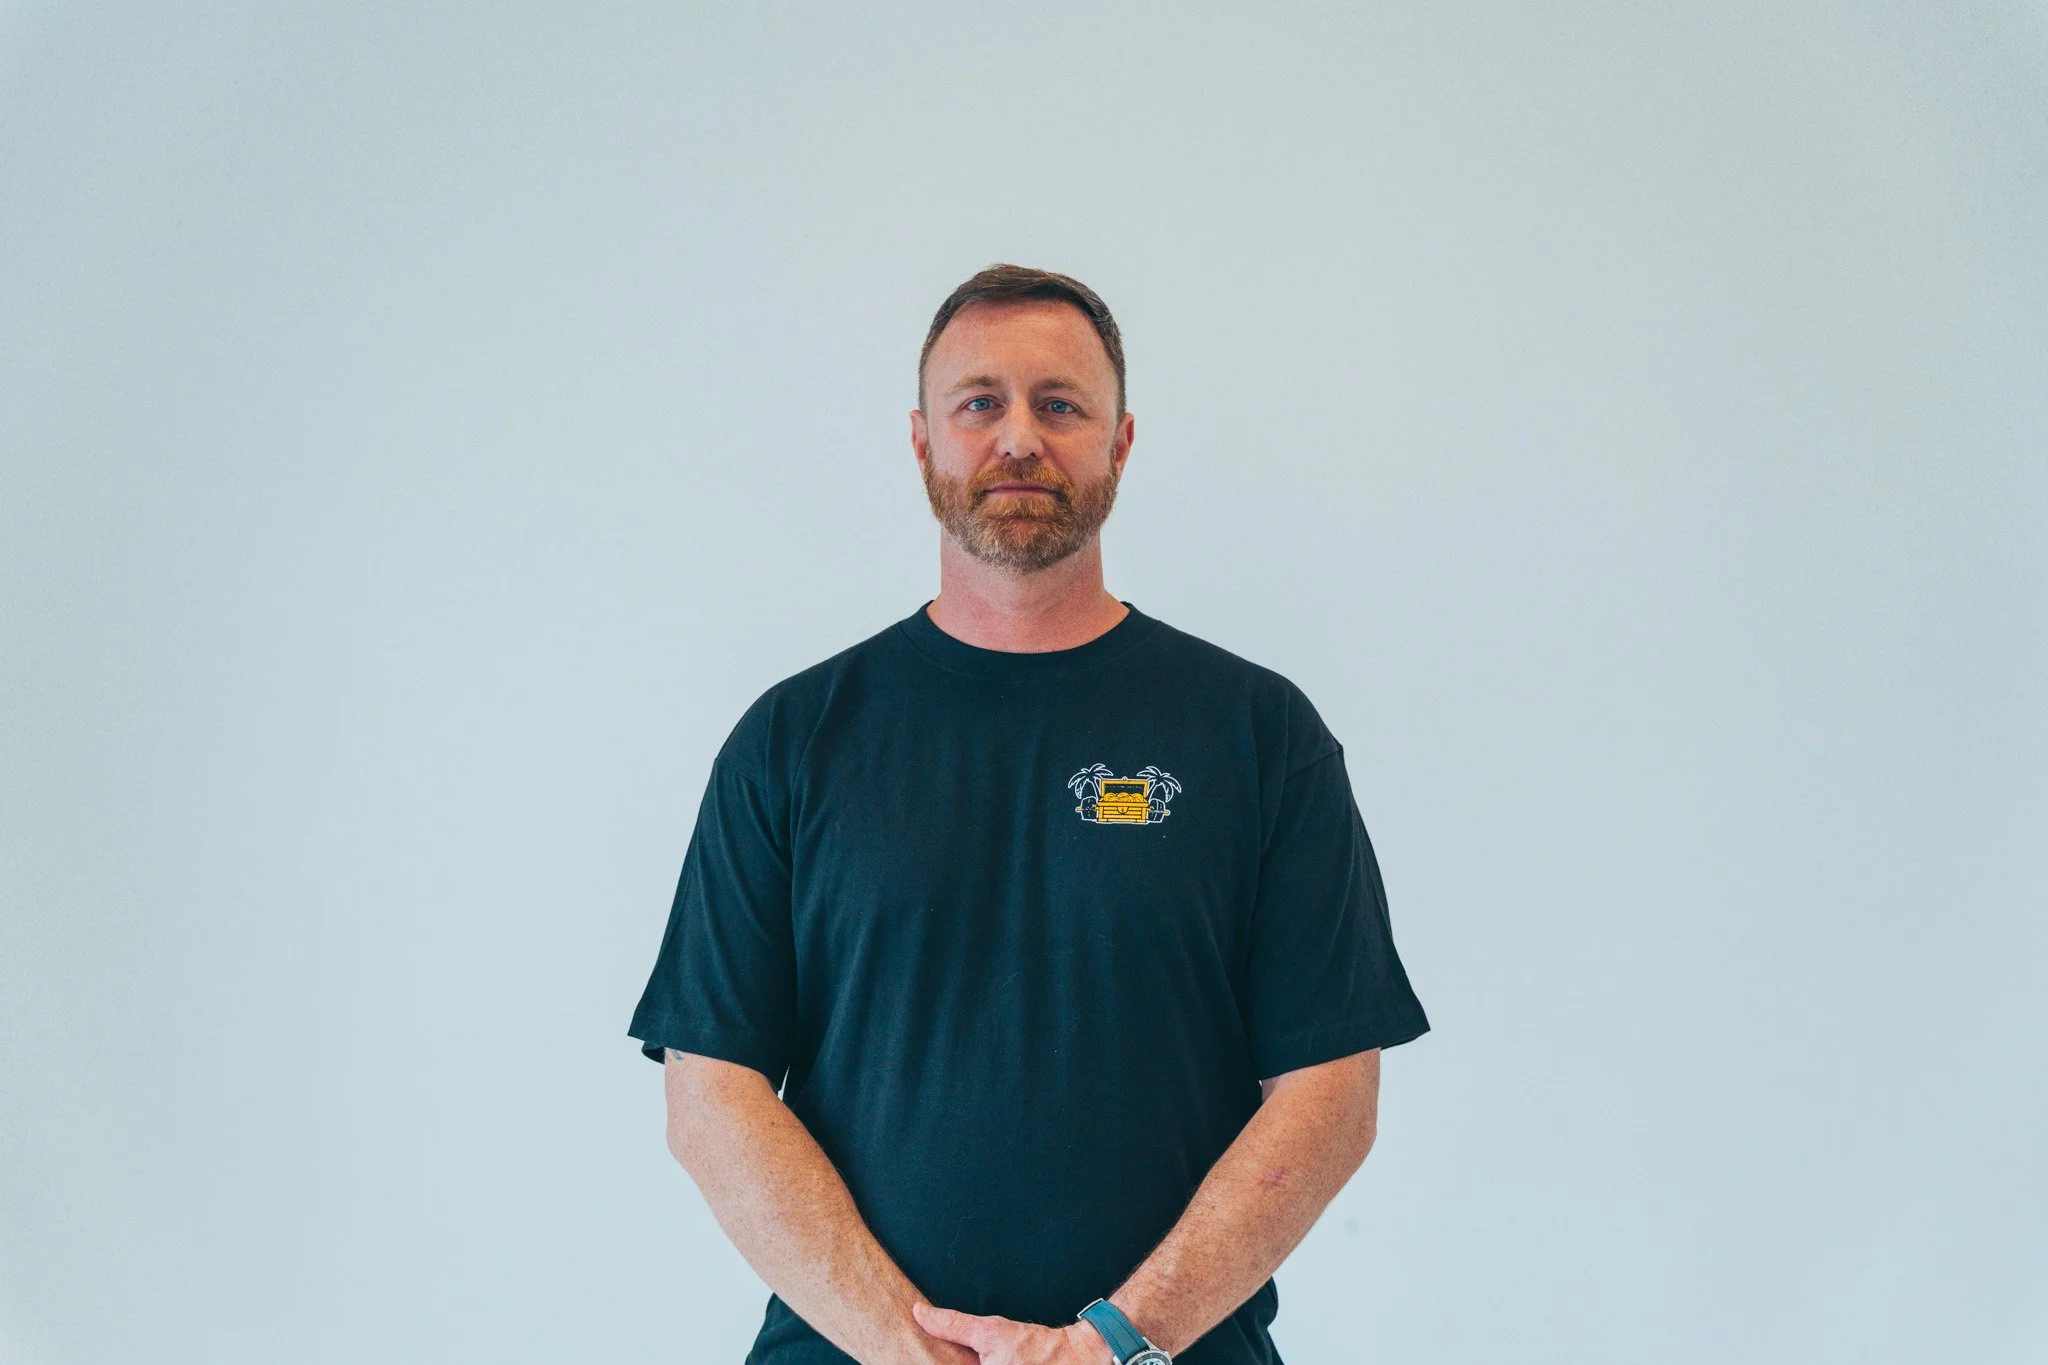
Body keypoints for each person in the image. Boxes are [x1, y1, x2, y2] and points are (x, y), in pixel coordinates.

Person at [629, 264, 1428, 1365]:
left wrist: (1112, 1342)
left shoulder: (1256, 733)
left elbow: (1330, 1092)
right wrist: (904, 1346)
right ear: (921, 439)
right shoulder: (793, 739)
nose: (1018, 437)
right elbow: (710, 1092)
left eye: (1059, 404)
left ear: (1121, 443)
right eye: (978, 403)